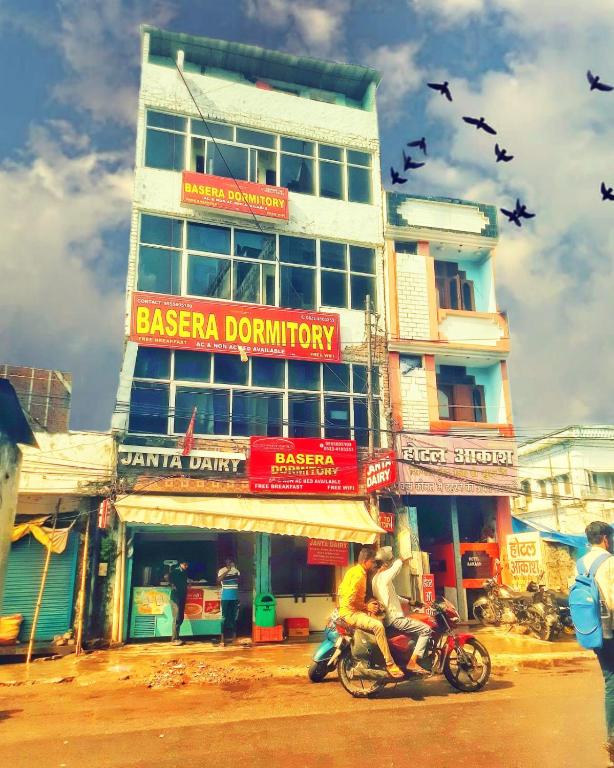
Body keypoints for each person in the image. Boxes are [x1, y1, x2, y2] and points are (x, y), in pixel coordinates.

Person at [337, 546, 404, 678]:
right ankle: (390, 663)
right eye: (372, 562)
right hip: (351, 613)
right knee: (378, 626)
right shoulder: (358, 575)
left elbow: (341, 591)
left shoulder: (355, 571)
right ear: (365, 561)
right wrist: (366, 607)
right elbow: (351, 599)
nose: (374, 564)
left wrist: (368, 605)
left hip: (351, 610)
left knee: (379, 614)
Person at [581, 521, 614, 765]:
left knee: (610, 681)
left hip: (592, 631)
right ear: (605, 538)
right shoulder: (609, 562)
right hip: (610, 631)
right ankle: (612, 740)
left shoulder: (581, 562)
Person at [372, 546, 431, 675]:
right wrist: (401, 559)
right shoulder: (383, 576)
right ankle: (413, 662)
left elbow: (393, 596)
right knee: (426, 630)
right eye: (390, 562)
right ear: (386, 563)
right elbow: (394, 570)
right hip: (395, 618)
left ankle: (413, 657)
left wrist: (410, 602)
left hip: (390, 618)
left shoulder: (376, 579)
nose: (391, 565)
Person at [218, 558, 241, 644]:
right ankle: (222, 639)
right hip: (225, 598)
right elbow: (218, 580)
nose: (229, 563)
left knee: (234, 618)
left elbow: (239, 582)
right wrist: (227, 571)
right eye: (227, 561)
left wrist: (234, 571)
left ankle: (234, 638)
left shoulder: (236, 571)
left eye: (230, 561)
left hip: (235, 598)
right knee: (224, 618)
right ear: (225, 562)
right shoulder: (221, 571)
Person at [168, 560, 190, 646]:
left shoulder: (184, 572)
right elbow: (167, 576)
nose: (186, 566)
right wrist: (173, 585)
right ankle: (174, 639)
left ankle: (177, 637)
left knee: (181, 617)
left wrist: (188, 582)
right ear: (180, 564)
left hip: (182, 596)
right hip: (175, 597)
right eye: (185, 564)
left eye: (187, 564)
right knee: (177, 618)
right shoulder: (176, 571)